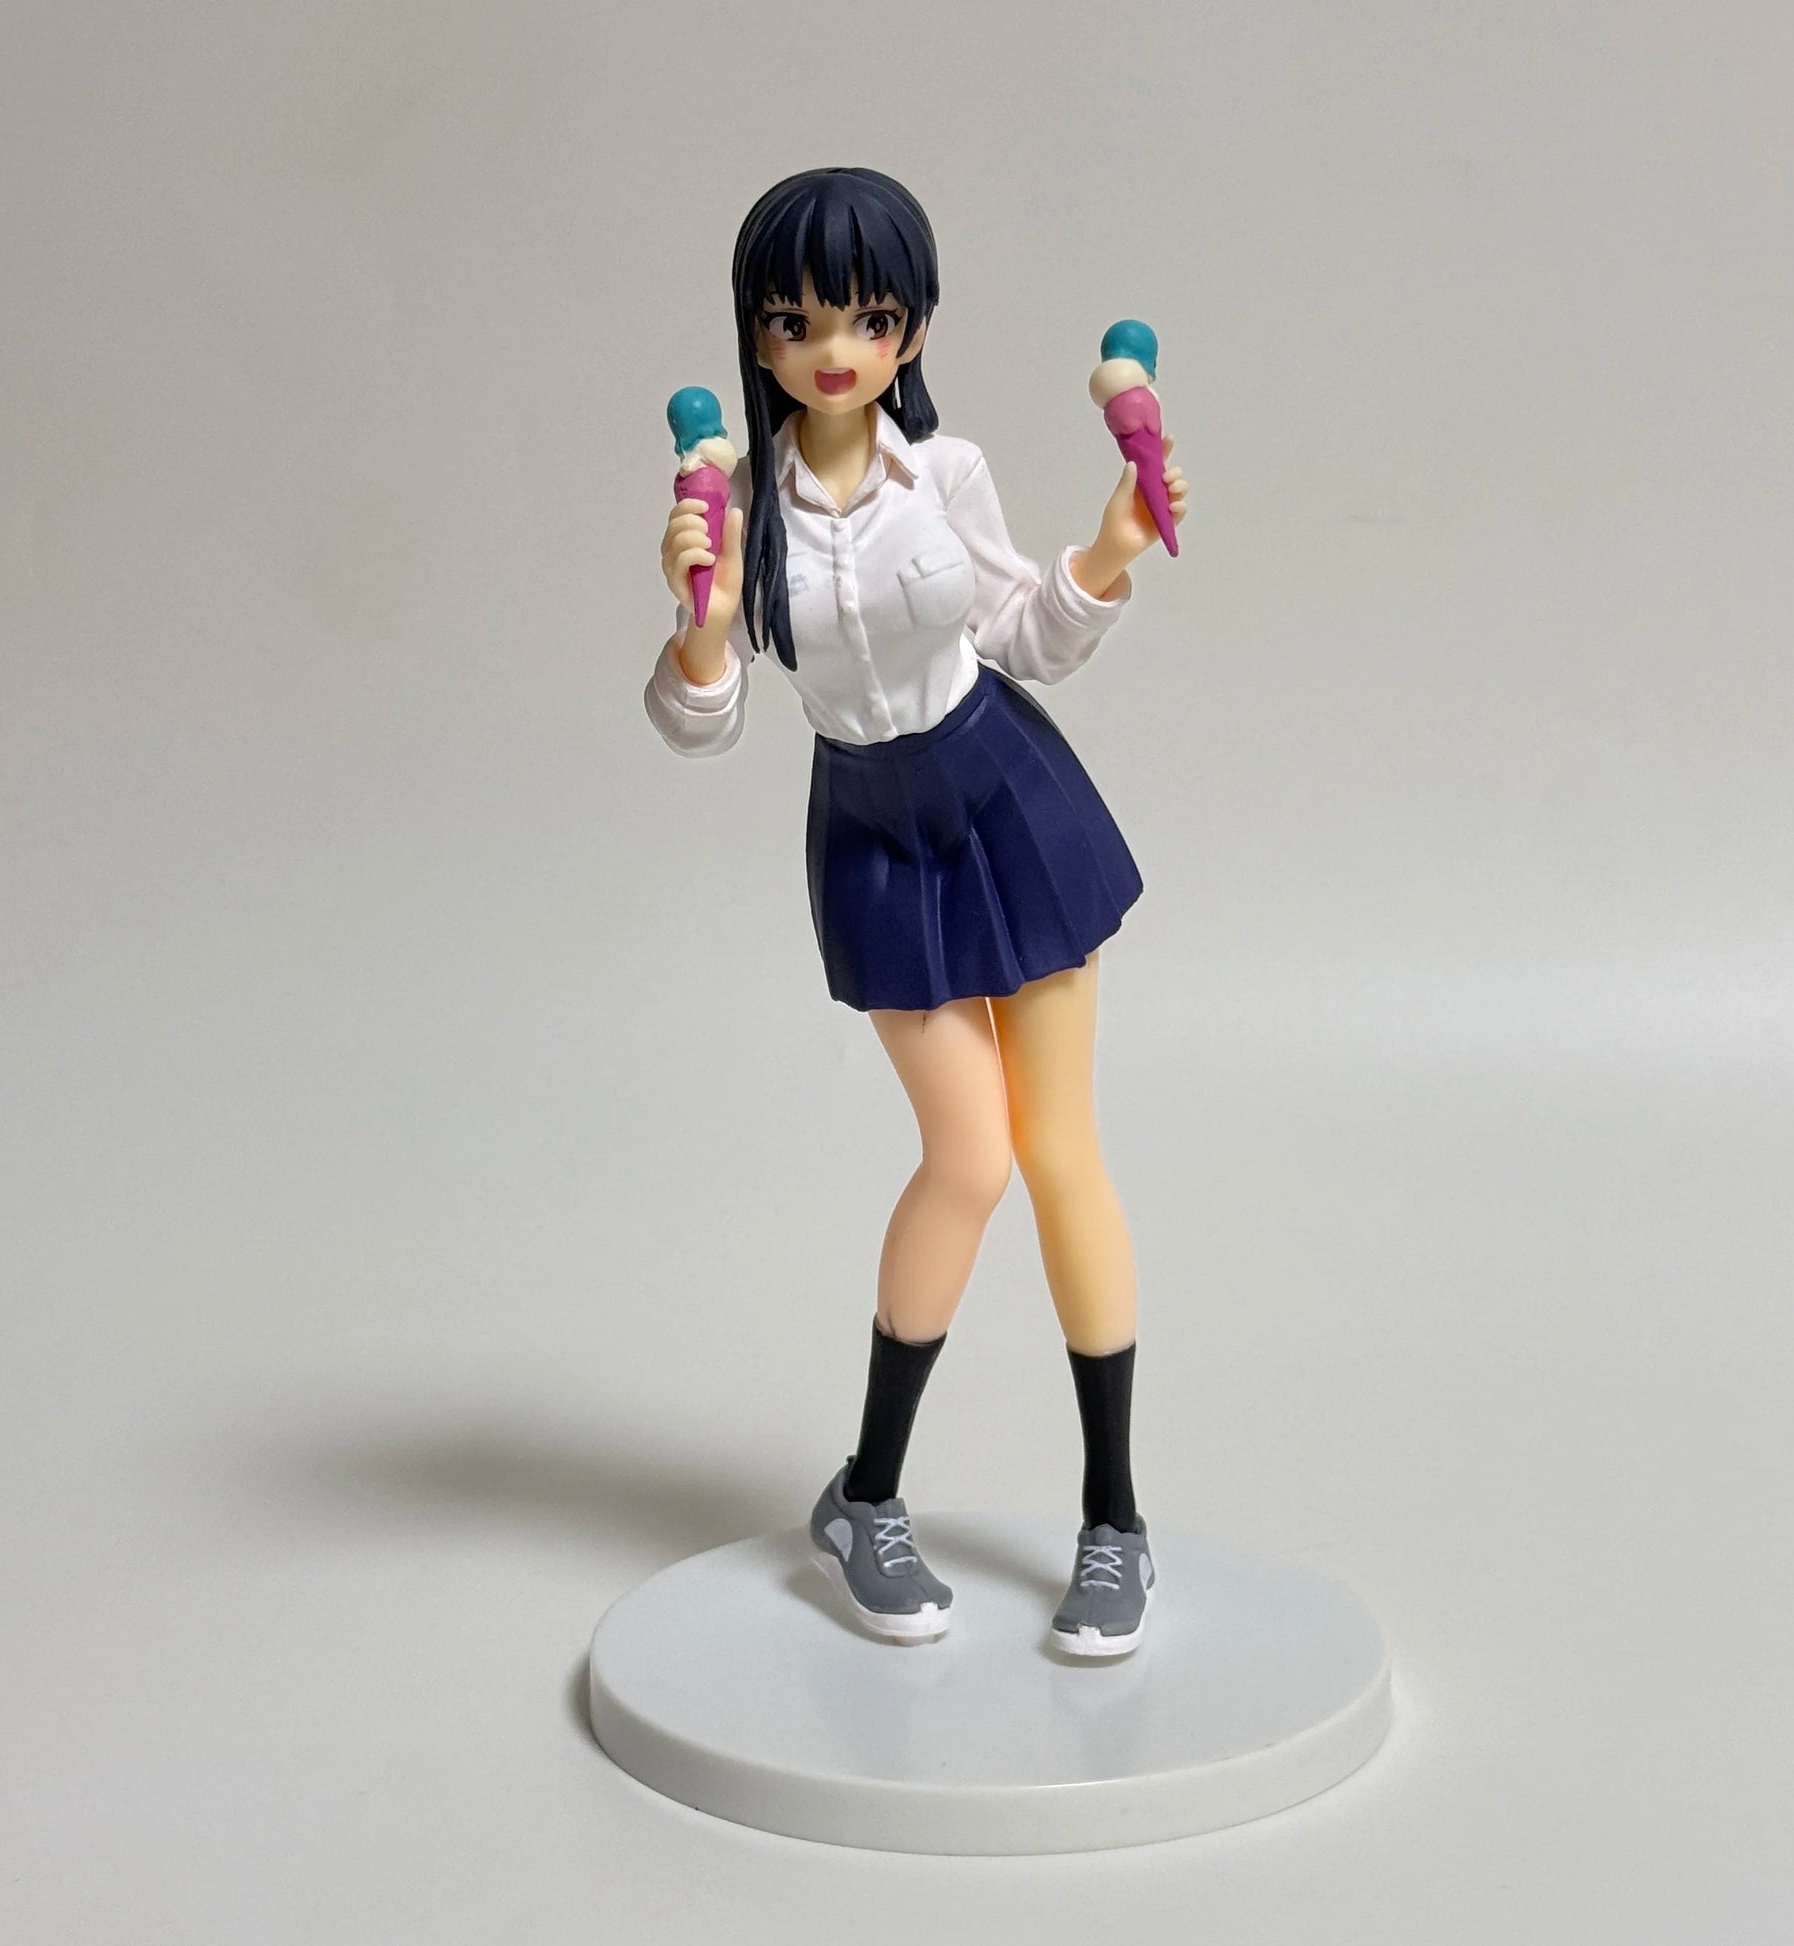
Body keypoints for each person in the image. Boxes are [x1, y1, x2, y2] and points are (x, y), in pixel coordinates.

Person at [644, 167, 1188, 1657]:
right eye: (796, 320)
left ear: (912, 329)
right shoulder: (737, 515)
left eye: (868, 318)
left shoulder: (945, 474)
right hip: (874, 833)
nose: (834, 350)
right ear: (758, 336)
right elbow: (701, 727)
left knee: (1060, 1151)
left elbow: (1022, 634)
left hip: (1006, 794)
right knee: (965, 1157)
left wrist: (1106, 555)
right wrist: (700, 633)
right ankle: (865, 1494)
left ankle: (1115, 1520)